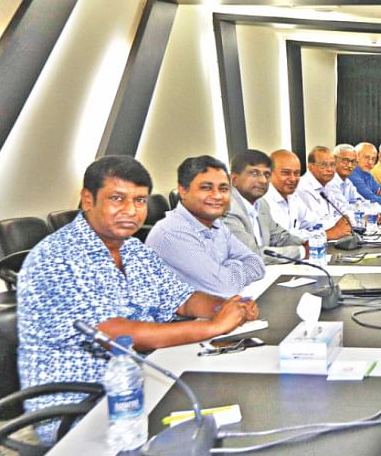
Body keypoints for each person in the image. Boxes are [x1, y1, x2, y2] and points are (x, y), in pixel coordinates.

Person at [17, 156, 258, 440]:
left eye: (140, 200)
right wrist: (213, 326)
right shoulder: (58, 257)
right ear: (87, 199)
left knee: (244, 411)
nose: (131, 210)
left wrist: (224, 307)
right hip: (85, 409)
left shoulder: (133, 249)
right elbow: (115, 333)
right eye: (117, 199)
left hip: (147, 384)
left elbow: (183, 299)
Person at [146, 155, 266, 297]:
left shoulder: (216, 224)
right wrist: (235, 264)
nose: (217, 196)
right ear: (183, 191)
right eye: (206, 188)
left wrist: (226, 270)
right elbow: (225, 287)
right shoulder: (173, 232)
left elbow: (257, 263)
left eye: (223, 189)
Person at [223, 149, 307, 263]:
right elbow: (251, 254)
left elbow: (279, 237)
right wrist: (302, 251)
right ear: (234, 179)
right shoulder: (226, 208)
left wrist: (309, 244)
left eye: (267, 174)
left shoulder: (261, 204)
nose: (263, 180)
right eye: (254, 173)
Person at [264, 149, 354, 239]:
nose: (293, 179)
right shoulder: (265, 201)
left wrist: (341, 226)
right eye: (286, 173)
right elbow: (283, 239)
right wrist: (327, 234)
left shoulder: (292, 197)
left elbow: (313, 221)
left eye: (296, 173)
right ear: (269, 174)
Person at [297, 146, 348, 221]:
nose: (329, 169)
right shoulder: (303, 188)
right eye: (323, 165)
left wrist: (351, 219)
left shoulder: (327, 185)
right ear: (310, 167)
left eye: (332, 165)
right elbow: (318, 221)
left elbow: (341, 208)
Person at [350, 142, 381, 212]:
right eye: (367, 157)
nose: (370, 162)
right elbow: (369, 197)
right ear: (356, 157)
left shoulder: (368, 174)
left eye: (373, 159)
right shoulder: (351, 174)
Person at [331, 143, 369, 207]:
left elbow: (363, 202)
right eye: (345, 160)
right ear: (333, 160)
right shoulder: (329, 182)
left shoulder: (348, 182)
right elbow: (342, 208)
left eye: (353, 162)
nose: (350, 165)